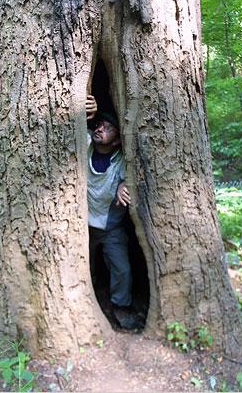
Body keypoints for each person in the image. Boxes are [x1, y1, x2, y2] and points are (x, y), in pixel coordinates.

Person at [85, 94, 140, 330]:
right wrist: (89, 111)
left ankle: (121, 305)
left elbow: (136, 175)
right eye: (99, 125)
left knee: (122, 269)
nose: (100, 129)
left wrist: (123, 183)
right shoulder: (84, 147)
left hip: (110, 228)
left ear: (117, 141)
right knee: (84, 266)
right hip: (81, 226)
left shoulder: (122, 162)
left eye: (109, 128)